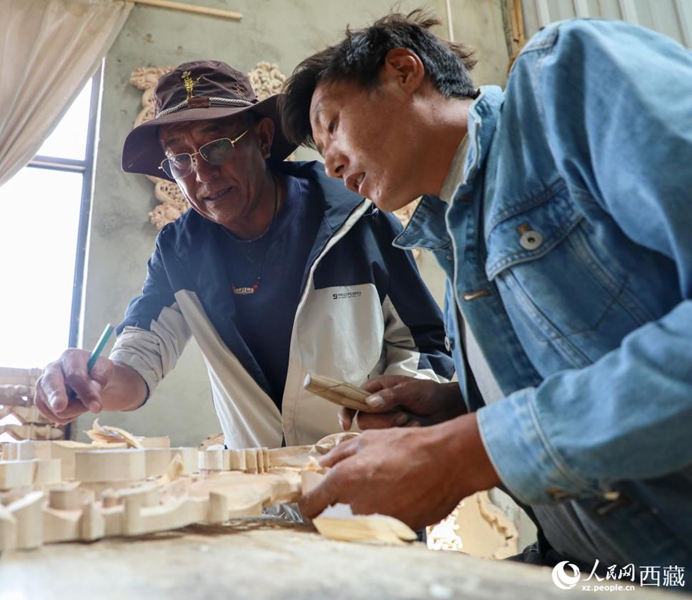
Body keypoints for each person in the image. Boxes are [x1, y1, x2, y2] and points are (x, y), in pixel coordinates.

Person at [281, 11, 692, 572]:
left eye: (330, 125)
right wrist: (454, 410)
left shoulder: (563, 79)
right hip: (588, 572)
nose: (328, 163)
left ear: (403, 71)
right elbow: (577, 365)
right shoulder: (453, 240)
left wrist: (462, 453)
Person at [35, 60, 453, 450]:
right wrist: (93, 385)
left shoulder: (352, 217)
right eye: (179, 159)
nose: (201, 173)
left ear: (263, 138)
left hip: (370, 467)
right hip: (258, 487)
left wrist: (396, 414)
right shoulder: (180, 252)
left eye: (216, 146)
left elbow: (428, 345)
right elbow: (138, 362)